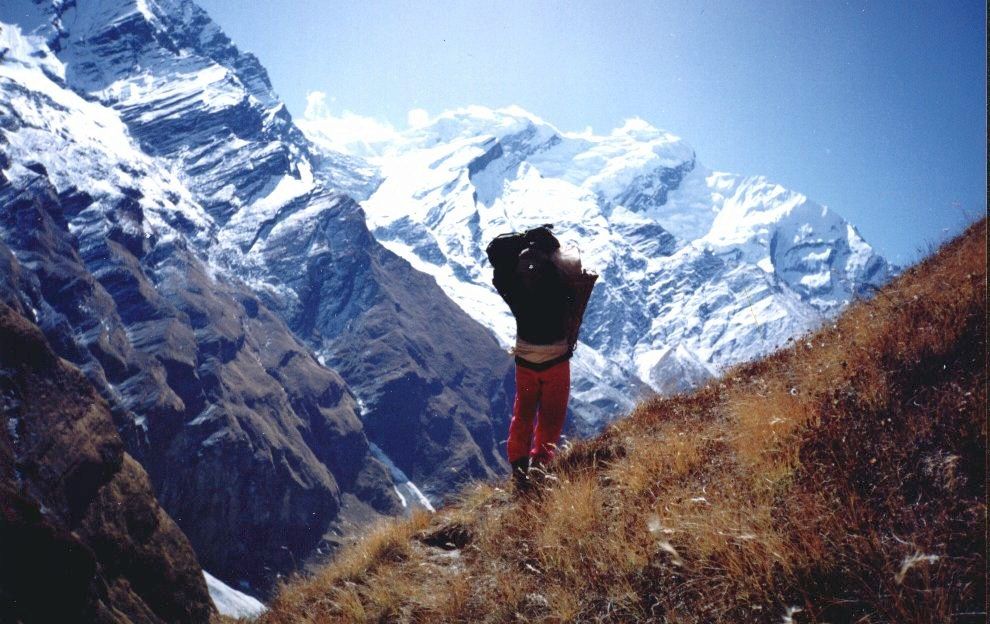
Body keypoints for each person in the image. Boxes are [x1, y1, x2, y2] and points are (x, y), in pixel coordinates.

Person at [486, 225, 597, 493]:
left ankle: (518, 466)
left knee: (522, 411)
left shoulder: (511, 285)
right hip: (555, 359)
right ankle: (540, 463)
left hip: (525, 357)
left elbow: (498, 273)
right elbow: (574, 298)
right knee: (551, 416)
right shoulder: (560, 282)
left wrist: (522, 240)